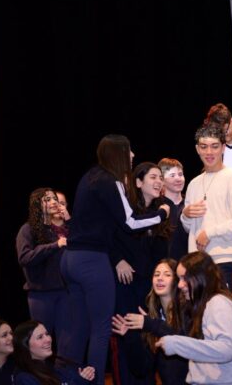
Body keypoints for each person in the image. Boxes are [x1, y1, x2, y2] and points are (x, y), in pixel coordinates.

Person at [61, 134, 170, 384]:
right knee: (101, 329)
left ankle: (66, 379)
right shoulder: (112, 181)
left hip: (70, 260)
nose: (132, 156)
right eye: (129, 151)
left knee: (77, 329)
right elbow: (130, 223)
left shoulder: (89, 177)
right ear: (118, 154)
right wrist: (162, 214)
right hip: (91, 261)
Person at [109, 162, 174, 384]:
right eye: (153, 177)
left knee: (148, 343)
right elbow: (107, 238)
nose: (159, 182)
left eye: (160, 178)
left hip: (149, 291)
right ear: (138, 182)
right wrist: (117, 260)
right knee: (126, 338)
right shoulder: (126, 213)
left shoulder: (162, 213)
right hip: (125, 286)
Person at [156, 252, 232, 385]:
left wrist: (177, 344)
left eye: (184, 278)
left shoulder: (218, 303)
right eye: (179, 279)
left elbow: (226, 349)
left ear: (200, 277)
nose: (180, 285)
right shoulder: (206, 304)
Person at [180, 125, 232, 293]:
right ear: (197, 149)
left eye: (214, 146)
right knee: (200, 308)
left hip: (225, 258)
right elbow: (188, 228)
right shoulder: (194, 183)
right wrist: (186, 215)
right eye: (204, 147)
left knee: (224, 307)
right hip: (197, 261)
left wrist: (209, 233)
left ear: (223, 148)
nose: (209, 152)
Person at [112, 259, 189, 384]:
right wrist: (130, 337)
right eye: (156, 275)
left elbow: (185, 343)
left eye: (167, 275)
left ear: (176, 281)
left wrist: (151, 324)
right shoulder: (151, 316)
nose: (160, 278)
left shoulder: (187, 310)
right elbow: (141, 369)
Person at [15, 188, 69, 352]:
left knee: (66, 342)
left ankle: (63, 370)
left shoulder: (59, 230)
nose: (53, 202)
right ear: (37, 205)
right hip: (41, 295)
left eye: (54, 199)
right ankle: (38, 369)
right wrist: (54, 245)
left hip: (65, 293)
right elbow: (24, 257)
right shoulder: (28, 229)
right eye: (48, 199)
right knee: (40, 343)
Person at [13, 321, 95, 385]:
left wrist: (88, 372)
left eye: (47, 334)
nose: (48, 339)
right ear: (25, 345)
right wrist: (79, 381)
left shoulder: (53, 367)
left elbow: (86, 372)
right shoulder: (24, 378)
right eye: (40, 337)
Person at [158, 158, 189, 261]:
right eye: (172, 175)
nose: (178, 179)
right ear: (162, 180)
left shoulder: (190, 204)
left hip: (188, 264)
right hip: (162, 264)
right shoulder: (157, 206)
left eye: (180, 174)